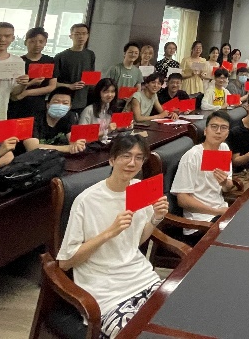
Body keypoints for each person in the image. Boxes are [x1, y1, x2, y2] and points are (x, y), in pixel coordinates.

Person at [57, 133, 168, 338]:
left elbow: (135, 241)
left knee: (174, 320)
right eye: (126, 156)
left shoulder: (139, 188)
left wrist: (156, 218)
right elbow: (65, 263)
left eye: (139, 158)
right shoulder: (87, 200)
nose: (132, 163)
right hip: (106, 291)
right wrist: (110, 232)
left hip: (142, 277)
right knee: (136, 334)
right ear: (111, 160)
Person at [171, 110, 235, 240]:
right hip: (200, 223)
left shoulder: (224, 148)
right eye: (214, 126)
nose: (218, 131)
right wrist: (217, 211)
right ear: (205, 131)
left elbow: (227, 187)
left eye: (223, 128)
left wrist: (224, 183)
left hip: (222, 212)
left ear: (227, 133)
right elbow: (182, 199)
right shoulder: (192, 156)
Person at [10, 27, 57, 121]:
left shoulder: (49, 61)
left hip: (38, 107)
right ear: (25, 42)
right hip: (17, 105)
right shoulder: (18, 61)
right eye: (32, 41)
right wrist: (30, 84)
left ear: (45, 42)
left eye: (41, 41)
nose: (37, 44)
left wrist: (27, 92)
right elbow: (12, 89)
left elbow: (52, 86)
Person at [24, 88, 87, 154]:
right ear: (47, 105)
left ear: (69, 107)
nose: (60, 106)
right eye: (56, 102)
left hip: (55, 157)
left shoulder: (70, 117)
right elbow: (32, 147)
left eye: (65, 103)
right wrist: (66, 148)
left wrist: (77, 145)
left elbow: (74, 142)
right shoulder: (32, 119)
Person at [54, 23, 96, 114]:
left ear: (88, 35)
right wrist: (69, 86)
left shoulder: (90, 55)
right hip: (64, 102)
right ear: (70, 36)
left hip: (83, 102)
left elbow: (91, 78)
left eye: (84, 33)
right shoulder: (61, 56)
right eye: (77, 34)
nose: (81, 36)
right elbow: (52, 83)